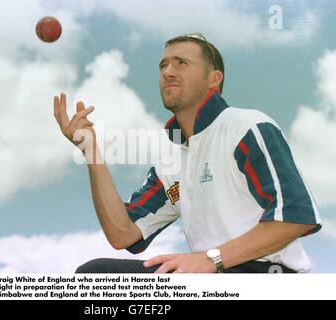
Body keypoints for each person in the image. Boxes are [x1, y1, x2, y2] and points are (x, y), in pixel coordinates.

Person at [54, 33, 321, 273]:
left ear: (213, 79)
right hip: (207, 276)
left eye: (181, 63)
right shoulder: (170, 162)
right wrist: (91, 153)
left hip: (267, 277)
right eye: (163, 65)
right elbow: (124, 234)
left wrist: (211, 259)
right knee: (98, 275)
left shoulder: (247, 126)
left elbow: (296, 217)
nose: (168, 71)